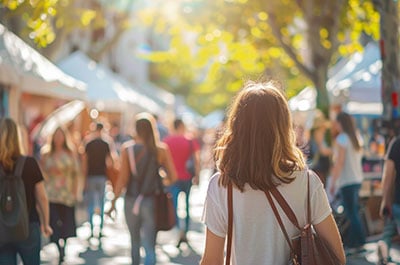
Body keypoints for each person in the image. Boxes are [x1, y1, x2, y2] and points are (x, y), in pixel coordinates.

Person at [200, 81, 345, 265]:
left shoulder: (222, 185)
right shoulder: (307, 182)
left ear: (236, 127)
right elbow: (337, 256)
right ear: (284, 127)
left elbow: (212, 260)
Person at [110, 112, 177, 265]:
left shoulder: (128, 150)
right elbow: (173, 177)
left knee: (134, 242)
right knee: (150, 245)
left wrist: (113, 202)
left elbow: (122, 179)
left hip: (131, 200)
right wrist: (160, 182)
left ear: (136, 129)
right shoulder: (161, 149)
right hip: (152, 200)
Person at [0, 118, 53, 265]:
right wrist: (46, 223)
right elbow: (42, 197)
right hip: (29, 226)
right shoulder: (30, 163)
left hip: (2, 229)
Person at [40, 127, 81, 264]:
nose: (58, 138)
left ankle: (64, 245)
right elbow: (40, 173)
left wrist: (75, 192)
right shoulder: (46, 153)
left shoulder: (70, 153)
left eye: (60, 135)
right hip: (51, 194)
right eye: (56, 135)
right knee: (53, 223)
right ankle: (59, 247)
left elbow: (76, 173)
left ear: (64, 137)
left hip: (66, 194)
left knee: (66, 224)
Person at [329, 111, 366, 255]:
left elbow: (339, 163)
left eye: (336, 123)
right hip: (357, 179)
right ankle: (356, 242)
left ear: (341, 123)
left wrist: (333, 182)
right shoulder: (356, 137)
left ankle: (358, 242)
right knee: (353, 212)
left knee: (351, 213)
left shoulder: (342, 139)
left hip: (347, 181)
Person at [163, 118, 201, 246]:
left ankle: (179, 230)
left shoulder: (167, 141)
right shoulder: (190, 141)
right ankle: (186, 232)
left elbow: (163, 162)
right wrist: (198, 175)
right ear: (182, 126)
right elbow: (196, 160)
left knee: (174, 206)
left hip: (172, 178)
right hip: (187, 177)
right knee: (186, 205)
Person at [82, 122, 116, 238]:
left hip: (91, 176)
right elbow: (111, 162)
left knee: (91, 203)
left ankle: (92, 228)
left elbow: (84, 163)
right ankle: (100, 228)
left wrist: (84, 178)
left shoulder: (88, 143)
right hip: (102, 176)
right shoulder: (106, 143)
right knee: (101, 202)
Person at [376, 137, 400, 265]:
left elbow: (388, 176)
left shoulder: (396, 144)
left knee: (388, 233)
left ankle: (383, 256)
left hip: (398, 202)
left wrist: (385, 201)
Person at [309, 110, 332, 186]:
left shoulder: (314, 133)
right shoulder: (318, 133)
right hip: (320, 166)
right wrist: (333, 150)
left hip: (318, 166)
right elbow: (323, 151)